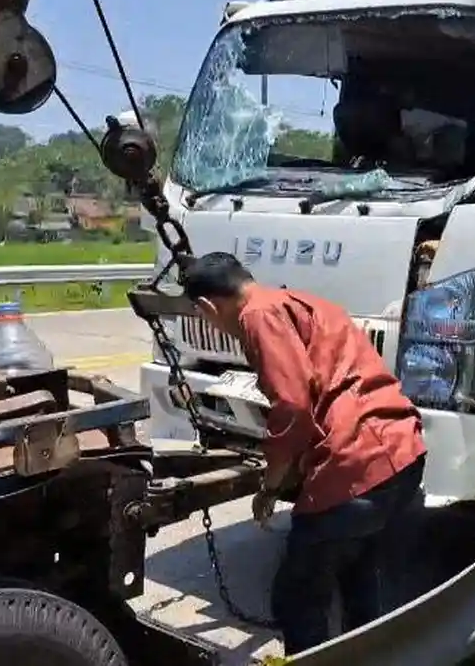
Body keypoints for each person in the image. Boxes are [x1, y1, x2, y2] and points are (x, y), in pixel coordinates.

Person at [183, 251, 428, 655]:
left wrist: (272, 484)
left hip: (358, 466)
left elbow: (294, 405)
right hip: (401, 455)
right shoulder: (302, 302)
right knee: (357, 575)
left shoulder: (256, 315)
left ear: (210, 306)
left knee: (296, 597)